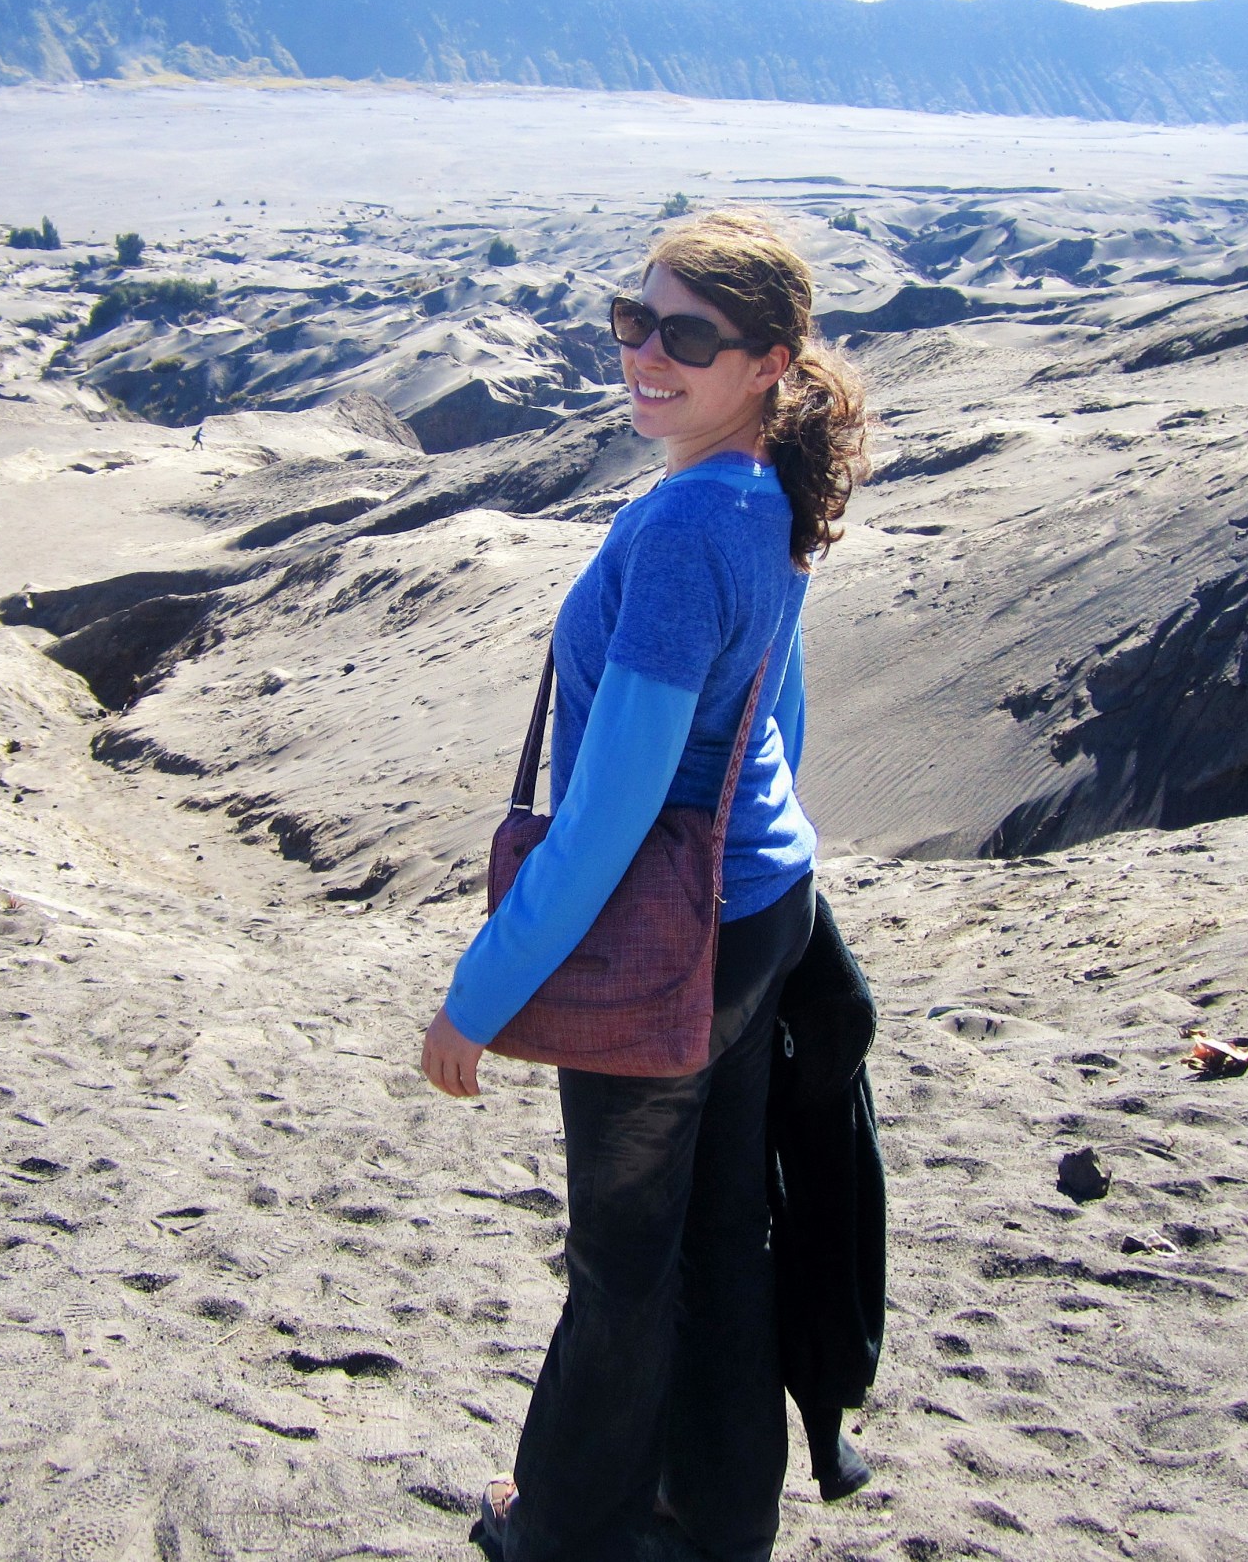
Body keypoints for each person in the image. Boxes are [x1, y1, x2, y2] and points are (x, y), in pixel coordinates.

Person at [424, 213, 871, 1562]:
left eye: (689, 336)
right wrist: (775, 868)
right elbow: (772, 707)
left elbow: (614, 808)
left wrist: (478, 991)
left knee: (626, 1257)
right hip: (758, 913)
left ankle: (564, 1523)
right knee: (724, 1227)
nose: (649, 355)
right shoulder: (762, 496)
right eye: (636, 319)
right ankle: (720, 1512)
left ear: (768, 363)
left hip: (673, 933)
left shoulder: (685, 525)